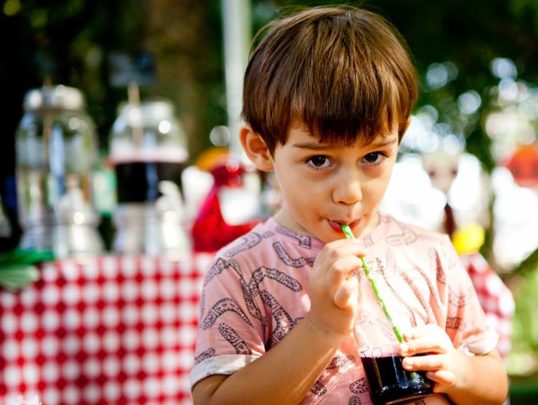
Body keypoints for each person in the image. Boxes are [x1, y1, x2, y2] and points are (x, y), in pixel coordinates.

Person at [190, 5, 508, 404]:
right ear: (261, 149)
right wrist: (321, 327)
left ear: (400, 136)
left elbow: (494, 385)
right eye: (319, 160)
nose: (351, 193)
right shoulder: (241, 270)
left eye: (373, 157)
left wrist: (457, 370)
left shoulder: (431, 255)